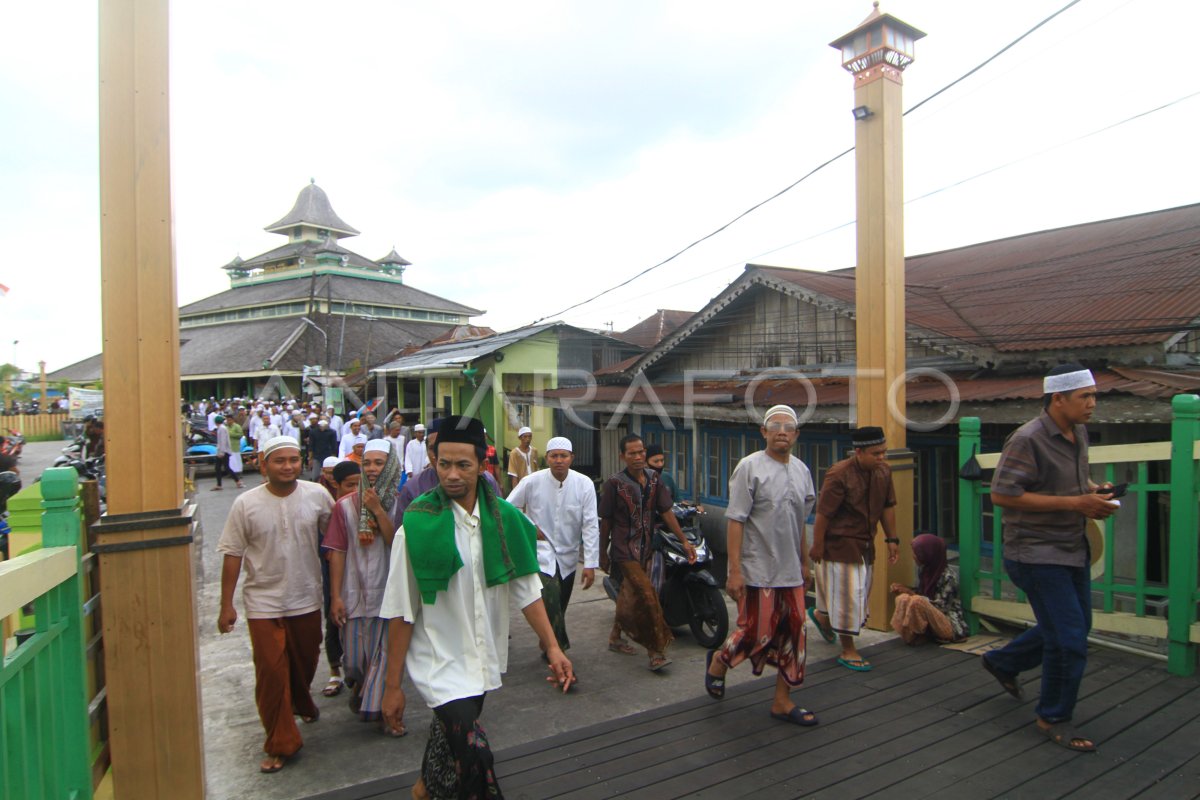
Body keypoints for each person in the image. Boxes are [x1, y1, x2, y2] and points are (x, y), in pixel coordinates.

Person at [379, 415, 574, 800]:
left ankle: (425, 788)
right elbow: (402, 610)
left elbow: (527, 592)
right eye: (444, 464)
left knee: (448, 741)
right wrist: (392, 686)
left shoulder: (506, 522)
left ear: (482, 466)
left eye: (463, 465)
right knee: (476, 755)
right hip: (438, 662)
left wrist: (553, 647)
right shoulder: (415, 528)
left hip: (482, 657)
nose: (452, 474)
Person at [982, 364, 1118, 753]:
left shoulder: (1079, 433)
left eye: (1094, 396)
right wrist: (1077, 502)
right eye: (1084, 397)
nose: (1092, 404)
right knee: (1069, 637)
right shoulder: (1028, 439)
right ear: (1058, 398)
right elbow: (1003, 494)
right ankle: (1053, 715)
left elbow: (1075, 482)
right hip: (1035, 551)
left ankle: (1004, 662)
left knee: (1072, 627)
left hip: (1071, 545)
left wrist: (1095, 491)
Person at [216, 436, 334, 774]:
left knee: (306, 659)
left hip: (306, 596)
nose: (288, 466)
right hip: (262, 602)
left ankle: (300, 700)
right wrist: (226, 605)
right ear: (262, 464)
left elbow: (338, 539)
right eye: (279, 461)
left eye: (294, 460)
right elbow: (233, 554)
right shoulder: (245, 504)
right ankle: (281, 741)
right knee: (270, 671)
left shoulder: (317, 495)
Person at [705, 405, 818, 726]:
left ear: (795, 435)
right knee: (756, 631)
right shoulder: (750, 468)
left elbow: (800, 523)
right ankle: (719, 662)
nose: (782, 431)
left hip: (791, 571)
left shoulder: (802, 471)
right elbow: (736, 520)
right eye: (775, 426)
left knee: (796, 633)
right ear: (764, 433)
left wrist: (806, 564)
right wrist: (735, 570)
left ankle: (782, 701)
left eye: (789, 427)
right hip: (757, 570)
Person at [326, 440, 405, 734]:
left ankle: (387, 714)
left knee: (386, 656)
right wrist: (335, 596)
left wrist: (377, 510)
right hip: (354, 591)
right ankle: (359, 684)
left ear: (391, 465)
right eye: (367, 463)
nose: (372, 469)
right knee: (356, 660)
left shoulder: (401, 501)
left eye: (379, 463)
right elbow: (337, 552)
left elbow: (395, 543)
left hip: (389, 591)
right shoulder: (343, 507)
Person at [598, 433, 696, 671]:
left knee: (628, 594)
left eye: (641, 452)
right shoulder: (614, 484)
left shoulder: (654, 479)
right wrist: (601, 553)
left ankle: (615, 637)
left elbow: (666, 512)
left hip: (646, 548)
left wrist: (684, 541)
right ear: (623, 456)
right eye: (631, 453)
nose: (638, 457)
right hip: (623, 550)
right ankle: (656, 651)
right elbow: (606, 522)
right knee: (648, 597)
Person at [808, 426, 899, 672]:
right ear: (859, 452)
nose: (881, 457)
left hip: (866, 544)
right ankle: (848, 649)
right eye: (876, 453)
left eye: (884, 452)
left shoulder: (884, 471)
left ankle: (822, 617)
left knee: (857, 592)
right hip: (839, 544)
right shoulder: (839, 474)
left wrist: (893, 540)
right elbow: (823, 514)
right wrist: (817, 545)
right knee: (850, 596)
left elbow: (888, 506)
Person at [507, 436, 600, 653]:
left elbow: (590, 524)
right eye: (554, 456)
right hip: (541, 554)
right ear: (547, 458)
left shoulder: (583, 484)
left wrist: (590, 563)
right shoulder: (532, 481)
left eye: (563, 456)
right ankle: (560, 653)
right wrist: (529, 527)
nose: (559, 460)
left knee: (559, 607)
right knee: (550, 599)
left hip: (568, 556)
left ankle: (547, 644)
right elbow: (508, 508)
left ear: (571, 458)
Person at [889, 533, 968, 644]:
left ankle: (921, 634)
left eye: (918, 553)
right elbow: (922, 594)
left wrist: (912, 594)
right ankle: (912, 635)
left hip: (948, 624)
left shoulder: (948, 577)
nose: (914, 556)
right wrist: (904, 590)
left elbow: (941, 607)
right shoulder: (924, 570)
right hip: (930, 622)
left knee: (916, 601)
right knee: (903, 598)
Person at [506, 426, 538, 491]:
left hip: (533, 485)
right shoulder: (514, 453)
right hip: (521, 486)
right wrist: (515, 492)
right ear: (520, 438)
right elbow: (514, 475)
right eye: (525, 437)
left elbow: (536, 469)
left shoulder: (534, 451)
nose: (528, 439)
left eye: (529, 436)